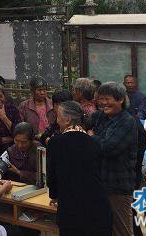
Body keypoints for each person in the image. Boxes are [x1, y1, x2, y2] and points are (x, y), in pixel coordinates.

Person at [47, 100, 111, 236]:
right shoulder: (94, 143)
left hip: (71, 210)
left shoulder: (55, 143)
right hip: (98, 209)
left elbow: (52, 177)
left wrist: (54, 196)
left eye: (58, 116)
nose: (56, 121)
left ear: (67, 120)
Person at [90, 82, 138, 236]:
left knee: (121, 230)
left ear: (120, 100)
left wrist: (92, 137)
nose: (103, 103)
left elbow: (108, 148)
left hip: (118, 185)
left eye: (107, 99)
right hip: (100, 183)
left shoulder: (127, 121)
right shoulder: (100, 117)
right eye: (101, 99)